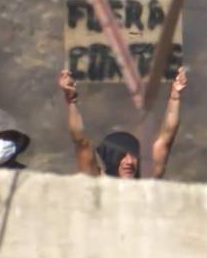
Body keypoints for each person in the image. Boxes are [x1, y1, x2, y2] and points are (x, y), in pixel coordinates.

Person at [58, 67, 187, 179]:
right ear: (109, 157)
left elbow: (166, 138)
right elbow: (82, 143)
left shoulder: (144, 182)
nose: (129, 162)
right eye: (121, 155)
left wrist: (175, 98)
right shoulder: (98, 183)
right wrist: (71, 101)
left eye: (133, 155)